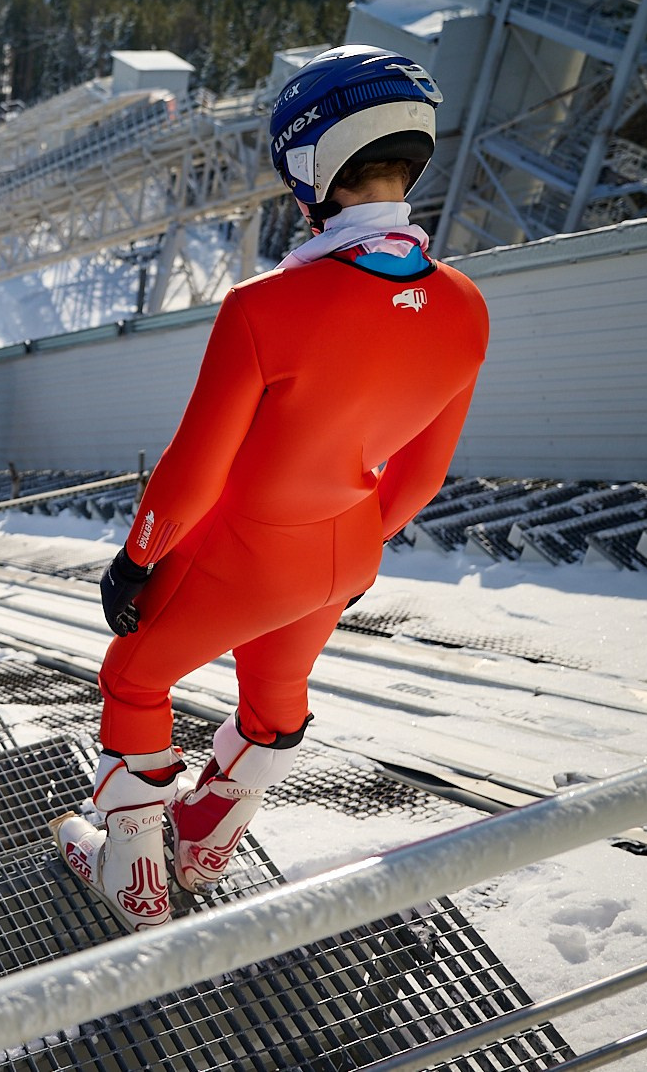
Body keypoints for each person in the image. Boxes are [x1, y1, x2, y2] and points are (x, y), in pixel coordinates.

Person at [52, 46, 490, 931]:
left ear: (312, 167)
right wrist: (356, 545)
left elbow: (193, 468)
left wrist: (136, 560)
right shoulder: (466, 305)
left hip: (250, 546)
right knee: (276, 691)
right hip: (347, 550)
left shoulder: (263, 307)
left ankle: (134, 882)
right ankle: (206, 842)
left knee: (134, 676)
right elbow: (422, 475)